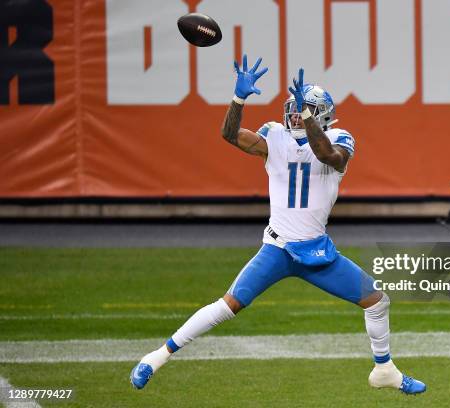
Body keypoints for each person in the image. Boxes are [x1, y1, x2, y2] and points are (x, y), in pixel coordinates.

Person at [129, 55, 426, 395]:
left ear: (322, 113)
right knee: (228, 306)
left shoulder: (340, 139)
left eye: (304, 109)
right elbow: (230, 135)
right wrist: (238, 99)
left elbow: (327, 155)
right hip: (278, 248)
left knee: (377, 301)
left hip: (317, 252)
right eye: (295, 108)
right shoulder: (274, 135)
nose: (296, 114)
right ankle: (156, 357)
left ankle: (384, 370)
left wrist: (310, 118)